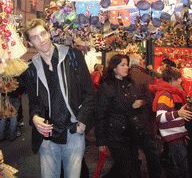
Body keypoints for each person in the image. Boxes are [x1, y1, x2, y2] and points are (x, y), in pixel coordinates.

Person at [22, 18, 96, 178]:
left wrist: (82, 123)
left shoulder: (73, 56)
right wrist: (35, 118)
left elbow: (90, 93)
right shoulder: (31, 68)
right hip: (47, 135)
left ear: (49, 33)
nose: (41, 40)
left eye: (42, 33)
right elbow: (34, 103)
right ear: (30, 43)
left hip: (73, 131)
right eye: (34, 37)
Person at [95, 54, 142, 178]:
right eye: (123, 65)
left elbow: (140, 99)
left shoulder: (131, 84)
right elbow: (100, 115)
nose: (127, 67)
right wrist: (100, 140)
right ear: (114, 68)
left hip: (132, 133)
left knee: (132, 167)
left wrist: (140, 102)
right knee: (125, 169)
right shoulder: (106, 87)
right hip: (115, 136)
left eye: (127, 64)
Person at [149, 65, 192, 178]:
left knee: (178, 165)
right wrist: (179, 113)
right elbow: (160, 117)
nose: (180, 81)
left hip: (175, 135)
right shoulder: (166, 95)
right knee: (181, 168)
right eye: (178, 79)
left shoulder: (169, 93)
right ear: (172, 80)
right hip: (173, 137)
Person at [128, 53, 162, 178]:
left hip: (130, 123)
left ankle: (136, 174)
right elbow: (152, 101)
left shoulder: (125, 77)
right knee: (151, 153)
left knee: (132, 153)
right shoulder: (146, 78)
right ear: (140, 63)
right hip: (146, 122)